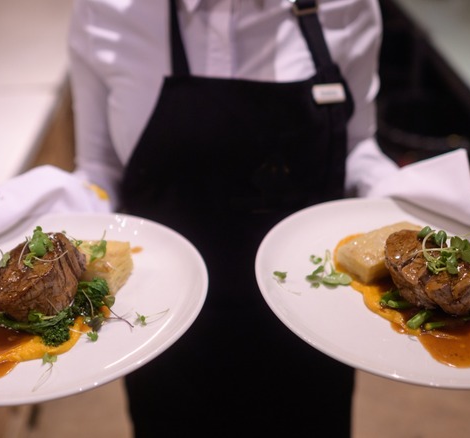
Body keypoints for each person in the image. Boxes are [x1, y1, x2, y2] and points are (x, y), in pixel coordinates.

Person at [67, 0, 397, 435]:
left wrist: (403, 199)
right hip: (162, 331)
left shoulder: (348, 7)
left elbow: (356, 146)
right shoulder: (105, 11)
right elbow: (100, 170)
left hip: (313, 327)